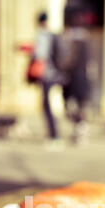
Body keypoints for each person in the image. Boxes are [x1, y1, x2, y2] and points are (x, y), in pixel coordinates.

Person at [30, 12, 64, 145]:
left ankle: (54, 136)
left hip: (46, 74)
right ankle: (54, 134)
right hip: (54, 73)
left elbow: (40, 55)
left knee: (46, 105)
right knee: (49, 104)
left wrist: (31, 51)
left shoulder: (42, 35)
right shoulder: (51, 34)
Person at [57, 26, 90, 143]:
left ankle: (80, 129)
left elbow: (69, 63)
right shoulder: (83, 47)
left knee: (72, 107)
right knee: (79, 107)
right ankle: (80, 129)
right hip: (79, 82)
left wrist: (61, 67)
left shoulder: (75, 47)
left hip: (74, 83)